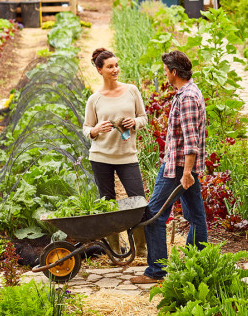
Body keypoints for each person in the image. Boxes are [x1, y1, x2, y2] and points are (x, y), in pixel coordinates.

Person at [130, 50, 208, 284]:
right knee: (196, 217)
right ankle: (197, 263)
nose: (164, 75)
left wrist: (186, 173)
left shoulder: (187, 98)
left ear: (174, 72)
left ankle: (156, 272)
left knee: (154, 214)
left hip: (177, 168)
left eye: (166, 71)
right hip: (182, 166)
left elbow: (191, 140)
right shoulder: (188, 92)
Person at [83, 48, 149, 257]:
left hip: (127, 156)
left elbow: (143, 117)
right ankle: (114, 250)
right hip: (101, 156)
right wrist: (95, 130)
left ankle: (140, 251)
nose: (115, 69)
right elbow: (86, 128)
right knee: (108, 202)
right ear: (99, 70)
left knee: (138, 200)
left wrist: (135, 122)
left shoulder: (132, 91)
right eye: (110, 67)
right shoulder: (95, 99)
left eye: (116, 65)